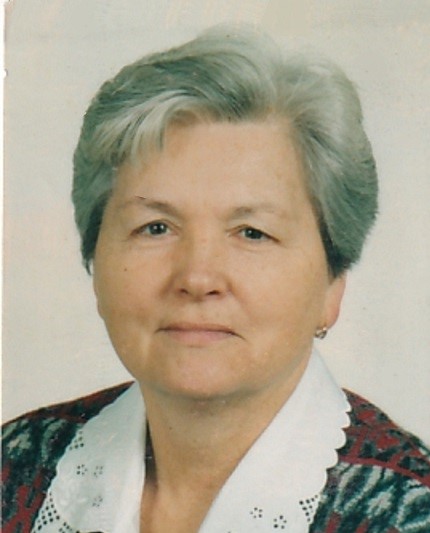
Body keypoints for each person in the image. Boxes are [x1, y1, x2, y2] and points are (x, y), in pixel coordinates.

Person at [2, 26, 430, 533]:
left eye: (252, 233)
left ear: (333, 284)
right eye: (155, 227)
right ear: (95, 260)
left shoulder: (407, 511)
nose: (197, 278)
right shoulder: (16, 467)